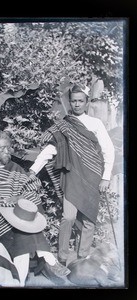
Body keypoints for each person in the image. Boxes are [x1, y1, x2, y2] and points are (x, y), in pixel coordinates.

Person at [29, 83, 115, 267]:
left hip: (93, 177)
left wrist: (106, 177)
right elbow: (50, 150)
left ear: (87, 102)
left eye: (80, 101)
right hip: (72, 177)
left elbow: (108, 150)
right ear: (70, 102)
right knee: (68, 217)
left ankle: (82, 259)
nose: (76, 104)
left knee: (89, 220)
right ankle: (62, 258)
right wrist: (33, 170)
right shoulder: (64, 125)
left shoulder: (96, 124)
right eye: (74, 101)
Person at [0, 131, 70, 287]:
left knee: (24, 226)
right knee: (25, 232)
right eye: (2, 148)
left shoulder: (15, 168)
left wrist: (17, 199)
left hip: (17, 216)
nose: (7, 152)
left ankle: (18, 282)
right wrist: (4, 204)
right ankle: (49, 259)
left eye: (9, 148)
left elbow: (31, 188)